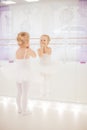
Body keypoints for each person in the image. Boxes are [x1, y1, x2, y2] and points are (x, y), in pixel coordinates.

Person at [16, 32, 36, 115]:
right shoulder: (27, 50)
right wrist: (29, 48)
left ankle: (19, 109)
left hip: (17, 73)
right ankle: (25, 111)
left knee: (19, 92)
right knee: (25, 93)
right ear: (27, 41)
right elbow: (35, 55)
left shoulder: (17, 50)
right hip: (25, 74)